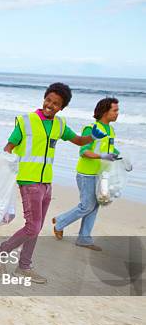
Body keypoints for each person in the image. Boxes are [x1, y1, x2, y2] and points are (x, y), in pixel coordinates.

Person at [0, 83, 107, 284]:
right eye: (48, 100)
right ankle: (1, 252)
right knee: (32, 227)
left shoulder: (60, 125)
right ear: (44, 98)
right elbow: (8, 147)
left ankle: (24, 266)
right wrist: (7, 172)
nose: (50, 105)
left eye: (56, 103)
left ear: (62, 107)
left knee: (36, 228)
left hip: (46, 183)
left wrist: (93, 136)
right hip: (28, 180)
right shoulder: (26, 121)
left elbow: (80, 141)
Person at [52, 98, 121, 251]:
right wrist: (102, 156)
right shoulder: (91, 129)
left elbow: (111, 149)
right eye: (115, 110)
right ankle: (60, 222)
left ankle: (84, 239)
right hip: (86, 174)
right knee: (86, 206)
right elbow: (84, 152)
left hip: (101, 174)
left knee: (95, 206)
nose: (117, 113)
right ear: (104, 112)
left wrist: (122, 158)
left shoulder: (110, 130)